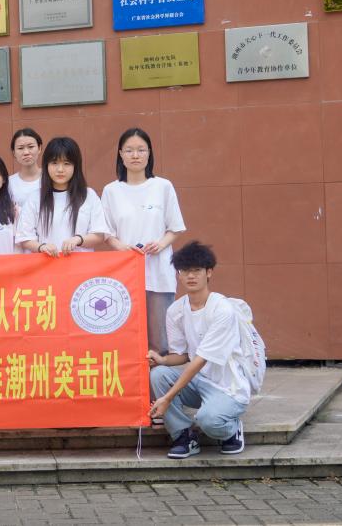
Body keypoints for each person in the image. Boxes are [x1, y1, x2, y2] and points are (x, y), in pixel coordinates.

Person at [149, 241, 249, 459]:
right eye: (185, 271)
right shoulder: (175, 310)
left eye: (196, 270)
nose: (190, 276)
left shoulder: (222, 310)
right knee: (158, 374)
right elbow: (183, 355)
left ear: (209, 272)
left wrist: (167, 398)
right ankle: (184, 436)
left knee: (209, 421)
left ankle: (231, 429)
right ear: (178, 274)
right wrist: (162, 360)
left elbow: (200, 359)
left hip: (228, 388)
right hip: (199, 383)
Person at [102, 128, 186, 354]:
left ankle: (159, 376)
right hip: (125, 273)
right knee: (127, 334)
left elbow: (175, 227)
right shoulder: (111, 191)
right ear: (121, 154)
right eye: (129, 150)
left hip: (158, 271)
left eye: (141, 150)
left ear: (149, 153)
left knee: (160, 339)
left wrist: (160, 244)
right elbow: (106, 232)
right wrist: (122, 247)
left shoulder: (163, 186)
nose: (135, 155)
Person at [17, 137, 110, 256]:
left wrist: (78, 239)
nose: (60, 169)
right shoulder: (35, 198)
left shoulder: (88, 195)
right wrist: (42, 247)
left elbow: (99, 234)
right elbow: (25, 237)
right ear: (46, 165)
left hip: (82, 265)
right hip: (47, 264)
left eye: (66, 163)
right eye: (54, 163)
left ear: (75, 166)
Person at [8, 128, 43, 207]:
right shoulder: (9, 183)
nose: (26, 152)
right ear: (14, 152)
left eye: (31, 147)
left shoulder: (50, 178)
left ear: (39, 148)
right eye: (20, 148)